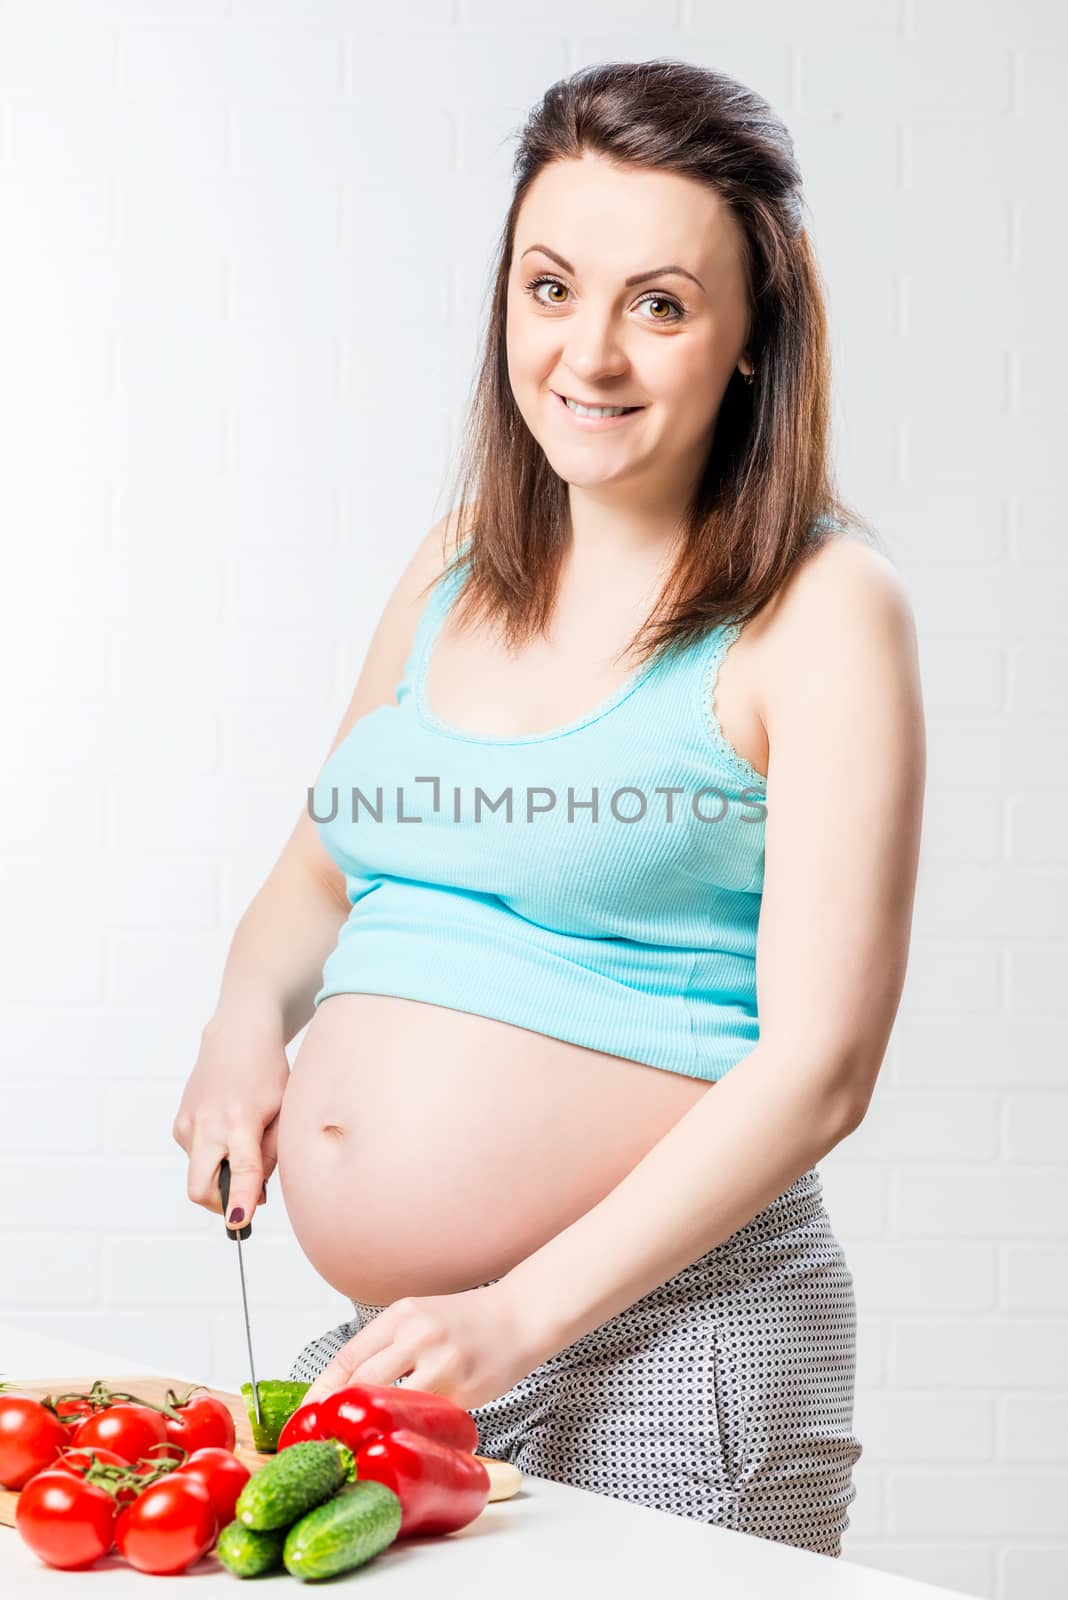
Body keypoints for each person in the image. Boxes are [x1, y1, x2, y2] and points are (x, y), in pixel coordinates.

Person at [172, 59, 925, 1559]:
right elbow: (318, 878)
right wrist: (243, 1027)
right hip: (418, 1342)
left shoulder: (822, 608)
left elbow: (823, 1068)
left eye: (660, 302)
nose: (589, 352)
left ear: (751, 339)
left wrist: (515, 1316)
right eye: (550, 286)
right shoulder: (458, 561)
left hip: (667, 1342)